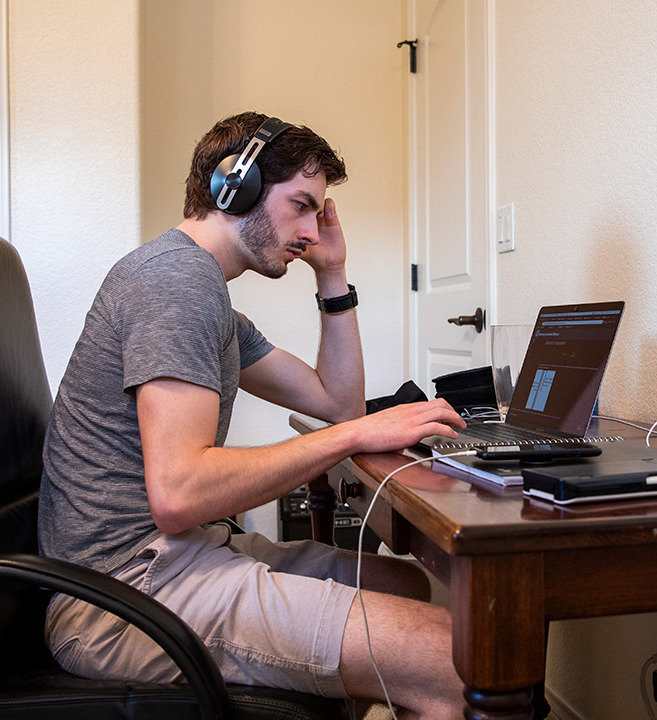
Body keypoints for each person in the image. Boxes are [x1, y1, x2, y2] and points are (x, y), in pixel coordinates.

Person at [37, 111, 468, 719]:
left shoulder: (206, 296)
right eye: (301, 206)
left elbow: (334, 400)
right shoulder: (173, 284)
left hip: (175, 558)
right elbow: (180, 494)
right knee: (455, 663)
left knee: (402, 583)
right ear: (231, 187)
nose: (312, 232)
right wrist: (353, 435)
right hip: (120, 597)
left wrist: (334, 276)